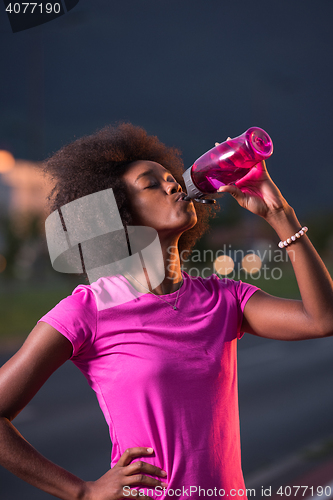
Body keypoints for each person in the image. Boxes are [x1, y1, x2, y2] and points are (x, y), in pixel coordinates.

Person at [0, 123, 332, 500]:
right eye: (151, 184)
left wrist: (278, 212)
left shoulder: (225, 298)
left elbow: (322, 319)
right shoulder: (88, 309)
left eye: (172, 179)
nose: (174, 185)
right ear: (123, 217)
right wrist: (82, 492)